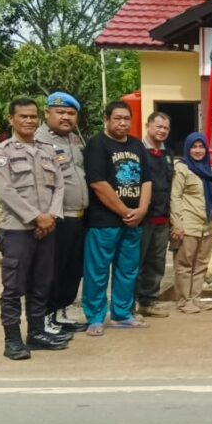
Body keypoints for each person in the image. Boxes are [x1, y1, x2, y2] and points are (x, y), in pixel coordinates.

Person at [0, 98, 69, 359]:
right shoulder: (1, 153)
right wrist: (37, 218)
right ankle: (12, 340)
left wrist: (52, 216)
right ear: (11, 119)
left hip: (47, 228)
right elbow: (6, 192)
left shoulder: (47, 150)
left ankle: (36, 334)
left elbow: (60, 186)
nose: (29, 121)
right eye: (23, 116)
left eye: (33, 116)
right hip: (17, 230)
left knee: (41, 285)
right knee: (13, 288)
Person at [82, 101, 152, 336]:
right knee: (98, 271)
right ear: (107, 119)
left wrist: (141, 210)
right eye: (117, 118)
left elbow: (146, 181)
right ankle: (95, 317)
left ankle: (122, 314)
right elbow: (97, 183)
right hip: (104, 222)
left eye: (126, 118)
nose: (122, 123)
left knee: (127, 270)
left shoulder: (137, 146)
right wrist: (124, 211)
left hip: (134, 221)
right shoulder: (96, 144)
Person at [35, 92, 89, 334]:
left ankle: (60, 313)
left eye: (71, 113)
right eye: (60, 112)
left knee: (72, 270)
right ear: (47, 113)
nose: (66, 117)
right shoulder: (38, 141)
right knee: (51, 272)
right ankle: (45, 320)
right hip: (57, 218)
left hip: (78, 218)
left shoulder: (74, 141)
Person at [170, 133, 212, 314]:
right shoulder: (182, 168)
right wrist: (177, 224)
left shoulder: (208, 169)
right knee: (184, 265)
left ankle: (195, 298)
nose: (198, 151)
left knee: (201, 264)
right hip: (188, 224)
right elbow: (175, 196)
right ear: (187, 149)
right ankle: (183, 301)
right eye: (194, 147)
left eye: (201, 147)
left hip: (207, 224)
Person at [135, 112, 175, 319]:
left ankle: (148, 301)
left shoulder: (168, 154)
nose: (162, 131)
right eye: (158, 126)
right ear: (147, 125)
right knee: (136, 262)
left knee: (156, 262)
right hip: (142, 218)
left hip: (162, 217)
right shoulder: (137, 150)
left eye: (166, 128)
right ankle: (129, 304)